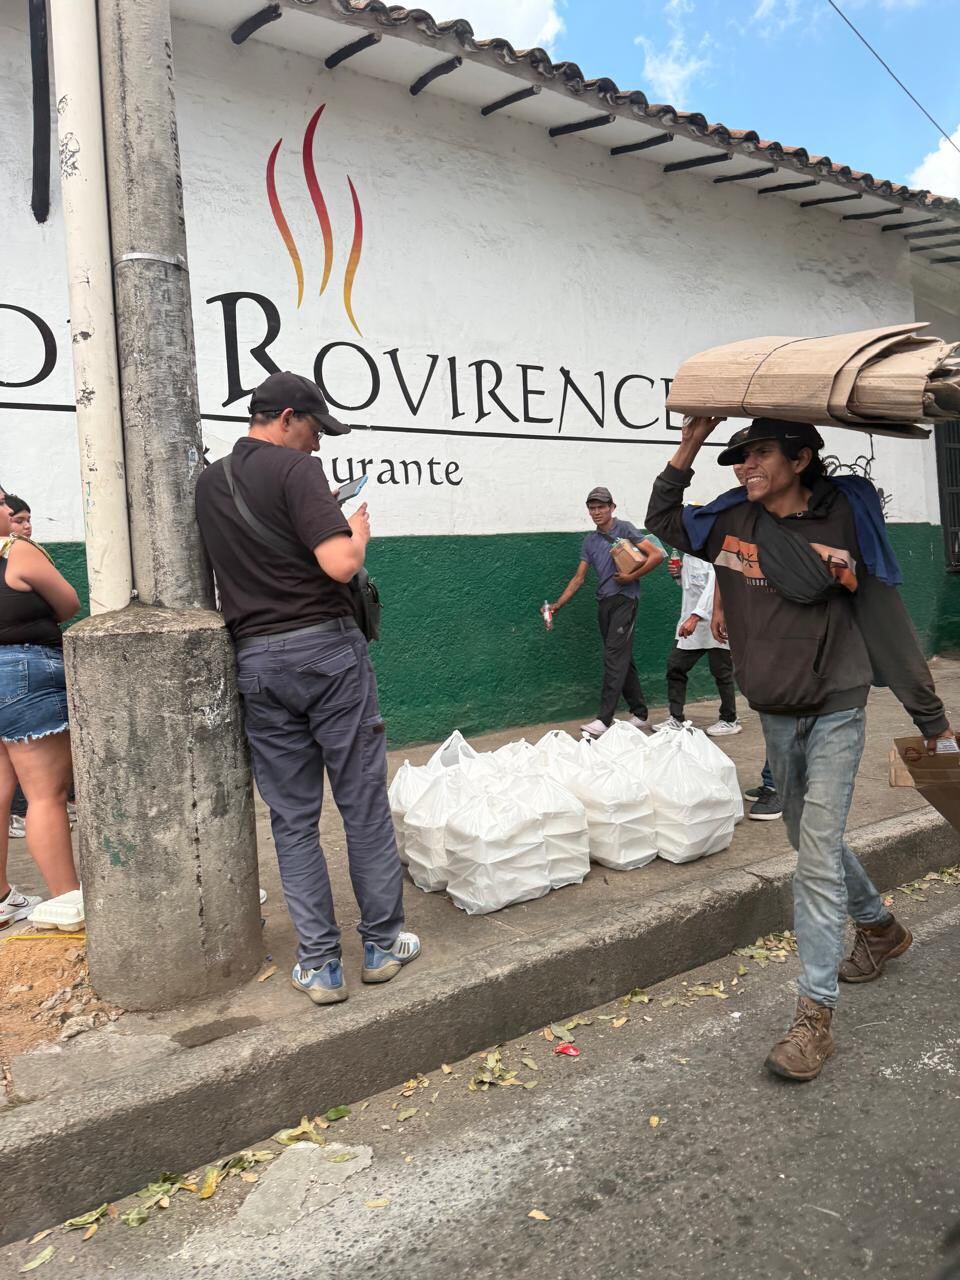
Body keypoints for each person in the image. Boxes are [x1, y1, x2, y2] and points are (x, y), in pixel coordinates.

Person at [646, 416, 952, 1082]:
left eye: (758, 454)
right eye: (739, 457)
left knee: (815, 853)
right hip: (775, 711)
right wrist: (691, 443)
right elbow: (663, 518)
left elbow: (882, 615)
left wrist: (932, 722)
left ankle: (814, 1018)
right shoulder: (731, 527)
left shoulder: (845, 523)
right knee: (805, 834)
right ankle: (879, 927)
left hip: (838, 704)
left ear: (801, 458)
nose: (744, 466)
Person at [195, 370, 419, 1006]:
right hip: (325, 650)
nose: (319, 444)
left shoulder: (209, 483)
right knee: (361, 803)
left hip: (257, 662)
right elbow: (340, 564)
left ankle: (320, 966)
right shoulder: (297, 473)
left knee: (292, 820)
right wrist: (358, 530)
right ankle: (381, 946)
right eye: (317, 429)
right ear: (289, 417)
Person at [0, 484, 81, 928]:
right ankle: (68, 901)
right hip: (21, 673)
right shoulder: (17, 552)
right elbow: (69, 602)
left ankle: (2, 900)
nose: (8, 511)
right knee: (44, 796)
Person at [547, 486, 665, 739]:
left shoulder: (624, 529)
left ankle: (604, 719)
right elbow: (579, 578)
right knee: (622, 657)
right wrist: (559, 604)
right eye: (593, 507)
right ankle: (640, 713)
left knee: (613, 656)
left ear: (612, 507)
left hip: (625, 599)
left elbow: (656, 555)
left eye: (602, 507)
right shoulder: (589, 541)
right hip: (604, 603)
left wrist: (631, 576)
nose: (597, 511)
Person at [659, 551, 740, 736]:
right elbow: (691, 588)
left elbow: (713, 589)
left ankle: (729, 719)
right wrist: (678, 574)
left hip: (715, 620)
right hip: (691, 624)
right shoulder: (688, 556)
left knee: (721, 672)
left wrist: (695, 617)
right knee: (675, 666)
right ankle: (676, 718)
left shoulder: (711, 556)